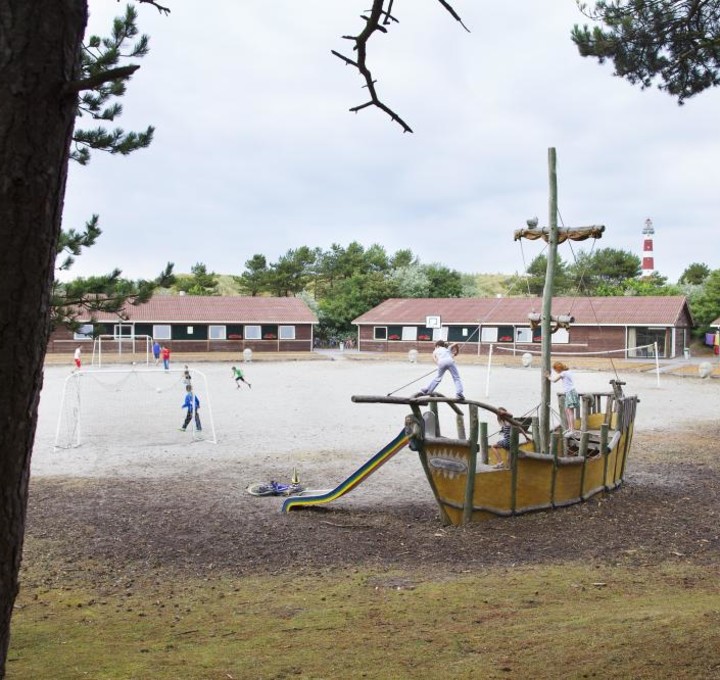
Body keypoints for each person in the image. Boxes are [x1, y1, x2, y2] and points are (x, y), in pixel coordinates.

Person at [546, 361, 579, 434]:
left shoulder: (563, 373)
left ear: (558, 369)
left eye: (555, 370)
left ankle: (572, 430)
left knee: (570, 412)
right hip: (570, 392)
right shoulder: (568, 371)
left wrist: (548, 376)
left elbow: (554, 380)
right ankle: (570, 428)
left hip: (570, 393)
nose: (556, 372)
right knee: (568, 411)